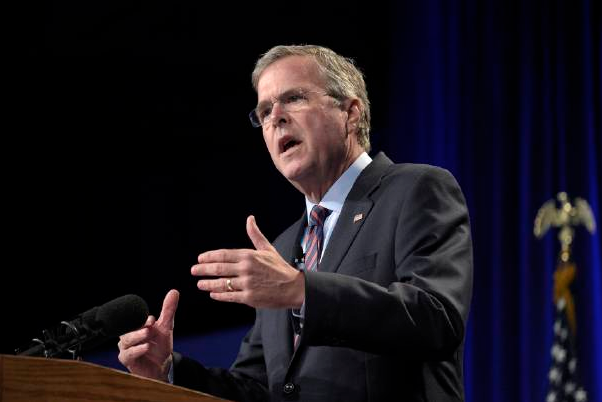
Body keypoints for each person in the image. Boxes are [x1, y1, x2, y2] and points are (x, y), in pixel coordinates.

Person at [117, 44, 473, 402]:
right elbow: (259, 388)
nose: (276, 118)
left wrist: (302, 291)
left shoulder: (415, 189)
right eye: (264, 111)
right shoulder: (284, 248)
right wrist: (168, 372)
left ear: (350, 113)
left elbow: (437, 319)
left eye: (294, 98)